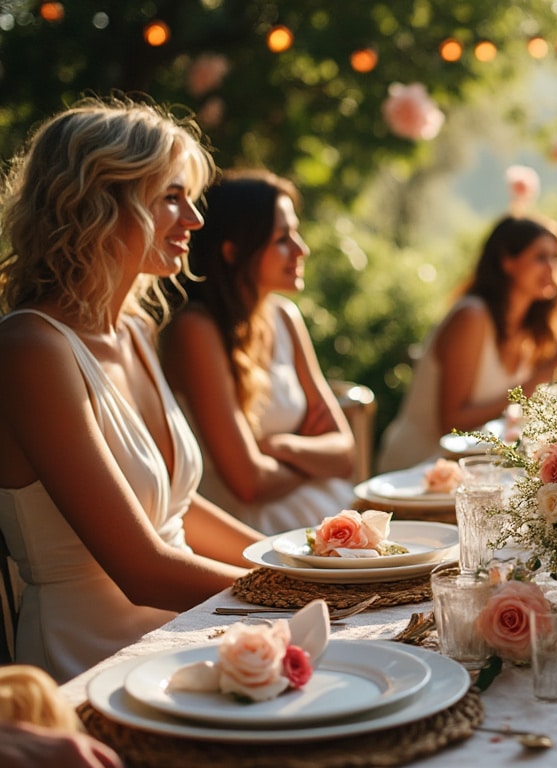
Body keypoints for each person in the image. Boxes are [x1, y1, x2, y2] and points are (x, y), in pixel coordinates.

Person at [0, 99, 260, 682]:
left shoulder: (138, 331)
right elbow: (141, 568)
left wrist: (296, 557)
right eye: (171, 197)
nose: (194, 219)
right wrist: (293, 590)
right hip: (94, 661)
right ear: (95, 203)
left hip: (188, 632)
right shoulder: (31, 348)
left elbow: (179, 512)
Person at [160, 171, 356, 535]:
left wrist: (283, 448)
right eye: (282, 238)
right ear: (233, 250)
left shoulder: (284, 316)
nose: (301, 249)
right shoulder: (197, 329)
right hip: (246, 528)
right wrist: (314, 459)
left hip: (315, 512)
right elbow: (248, 483)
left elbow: (345, 453)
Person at [377, 216, 557, 472]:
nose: (553, 269)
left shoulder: (534, 327)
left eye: (556, 257)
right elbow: (450, 423)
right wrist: (547, 372)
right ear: (507, 261)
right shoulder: (471, 317)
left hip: (481, 467)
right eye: (540, 258)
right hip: (420, 467)